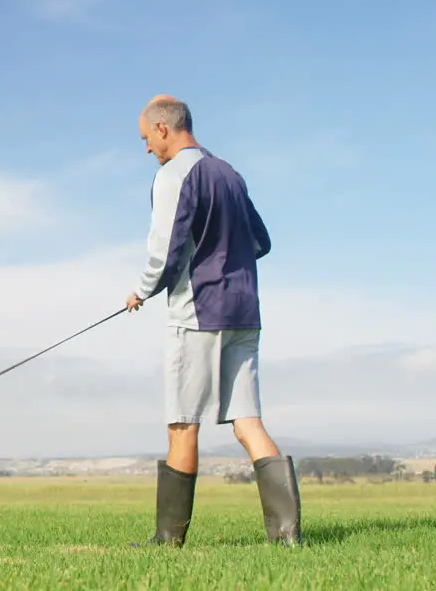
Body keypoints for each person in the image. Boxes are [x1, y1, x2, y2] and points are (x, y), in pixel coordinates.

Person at [123, 95, 302, 548]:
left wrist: (140, 292)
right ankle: (286, 538)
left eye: (146, 139)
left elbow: (163, 252)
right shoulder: (230, 175)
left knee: (183, 422)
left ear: (164, 129)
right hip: (244, 312)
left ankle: (167, 541)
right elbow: (261, 241)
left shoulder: (172, 176)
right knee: (247, 423)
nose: (147, 149)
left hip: (198, 312)